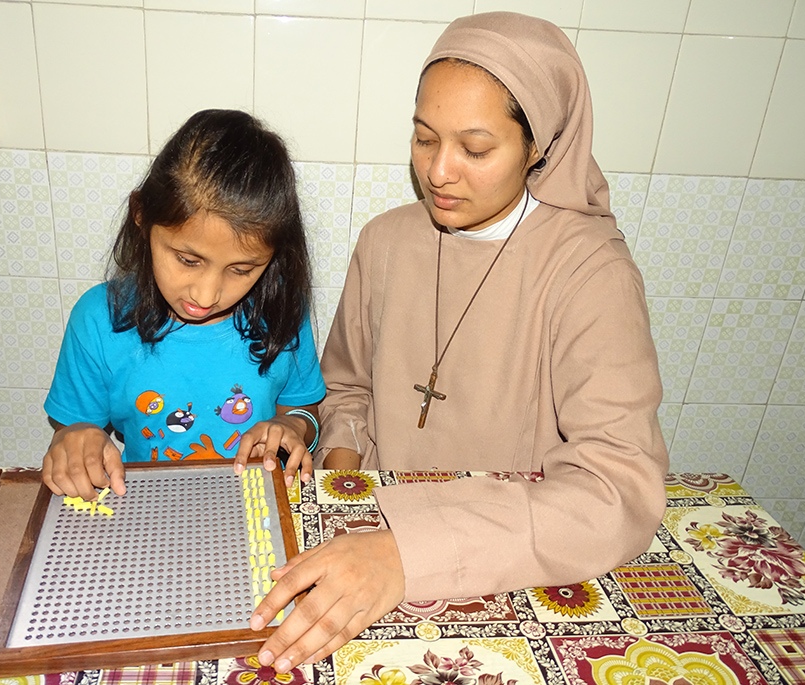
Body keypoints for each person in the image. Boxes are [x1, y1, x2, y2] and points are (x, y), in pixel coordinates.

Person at [249, 12, 669, 673]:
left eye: (475, 150)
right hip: (370, 540)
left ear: (538, 146)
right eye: (423, 139)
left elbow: (618, 490)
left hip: (510, 567)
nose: (439, 172)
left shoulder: (590, 269)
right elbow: (348, 385)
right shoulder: (386, 241)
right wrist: (341, 457)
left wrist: (406, 552)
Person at [42, 109, 326, 499]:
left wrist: (293, 429)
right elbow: (72, 432)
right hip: (145, 508)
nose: (206, 296)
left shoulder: (281, 312)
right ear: (141, 216)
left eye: (241, 269)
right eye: (188, 260)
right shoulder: (99, 320)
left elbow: (304, 409)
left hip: (255, 512)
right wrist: (75, 440)